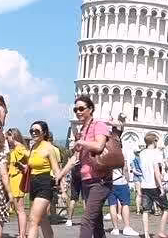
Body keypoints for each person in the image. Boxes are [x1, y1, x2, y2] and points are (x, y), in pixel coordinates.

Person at [21, 121, 72, 238]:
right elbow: (31, 166)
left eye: (37, 131)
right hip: (34, 184)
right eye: (31, 131)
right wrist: (24, 167)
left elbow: (56, 169)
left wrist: (63, 190)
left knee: (33, 220)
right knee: (43, 218)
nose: (34, 133)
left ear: (44, 133)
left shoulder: (48, 148)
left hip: (45, 184)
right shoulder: (33, 147)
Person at [73, 95, 111, 238]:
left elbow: (99, 146)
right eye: (75, 109)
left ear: (91, 109)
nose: (78, 111)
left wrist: (82, 142)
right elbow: (76, 158)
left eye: (81, 108)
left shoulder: (98, 125)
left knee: (87, 221)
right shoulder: (82, 129)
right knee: (96, 222)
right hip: (87, 179)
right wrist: (60, 174)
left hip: (100, 181)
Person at [138, 134, 168, 238]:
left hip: (144, 184)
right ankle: (161, 231)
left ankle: (146, 234)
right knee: (165, 208)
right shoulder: (157, 153)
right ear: (154, 141)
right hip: (154, 185)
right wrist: (161, 186)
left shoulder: (141, 153)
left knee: (145, 210)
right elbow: (156, 171)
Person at [6, 128, 29, 238]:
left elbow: (29, 155)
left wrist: (25, 166)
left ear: (13, 136)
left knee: (20, 210)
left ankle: (22, 234)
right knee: (18, 210)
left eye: (8, 137)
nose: (7, 139)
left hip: (17, 180)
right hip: (14, 179)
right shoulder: (15, 148)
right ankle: (21, 233)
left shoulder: (19, 147)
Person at [108, 158, 138, 236]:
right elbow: (125, 169)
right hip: (121, 182)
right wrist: (127, 180)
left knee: (112, 205)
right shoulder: (121, 155)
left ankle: (115, 228)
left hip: (110, 182)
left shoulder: (107, 155)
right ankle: (127, 227)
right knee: (125, 204)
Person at [130, 150, 143, 215]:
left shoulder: (143, 160)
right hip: (137, 178)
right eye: (138, 152)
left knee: (144, 193)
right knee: (139, 193)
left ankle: (144, 208)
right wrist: (142, 173)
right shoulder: (133, 161)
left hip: (142, 178)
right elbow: (134, 171)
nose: (139, 153)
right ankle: (138, 209)